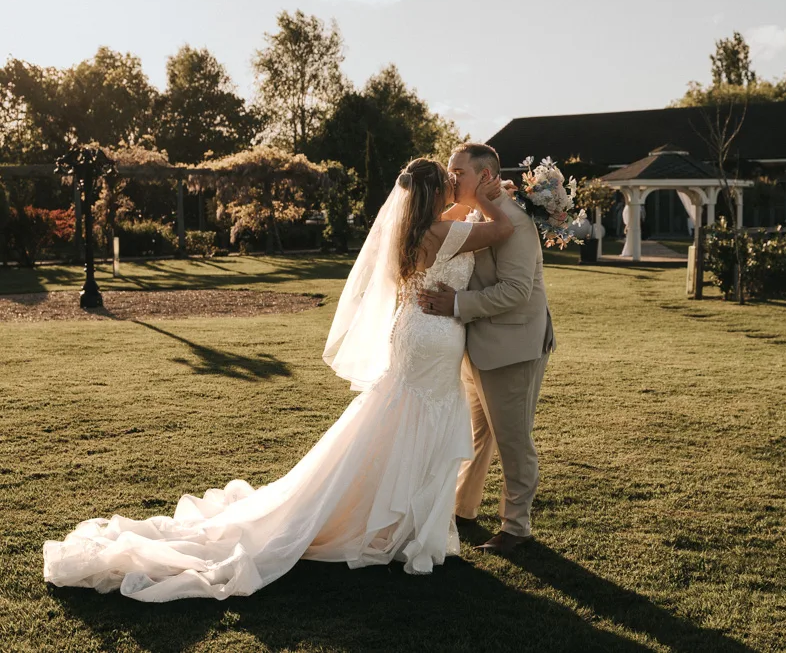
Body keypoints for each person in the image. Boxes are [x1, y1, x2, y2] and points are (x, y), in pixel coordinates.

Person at [42, 158, 511, 601]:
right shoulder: (447, 230)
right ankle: (404, 526)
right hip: (432, 342)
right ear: (433, 196)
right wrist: (492, 195)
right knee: (418, 427)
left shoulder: (415, 230)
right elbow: (503, 228)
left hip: (414, 337)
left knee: (398, 424)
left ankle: (398, 521)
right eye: (447, 185)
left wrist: (470, 200)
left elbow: (459, 224)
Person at [418, 143, 555, 555]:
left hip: (513, 345)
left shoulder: (514, 220)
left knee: (513, 441)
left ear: (486, 176)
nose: (451, 178)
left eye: (459, 172)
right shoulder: (480, 215)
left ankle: (516, 529)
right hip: (477, 345)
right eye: (449, 171)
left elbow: (516, 290)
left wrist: (456, 305)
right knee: (477, 437)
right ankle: (463, 509)